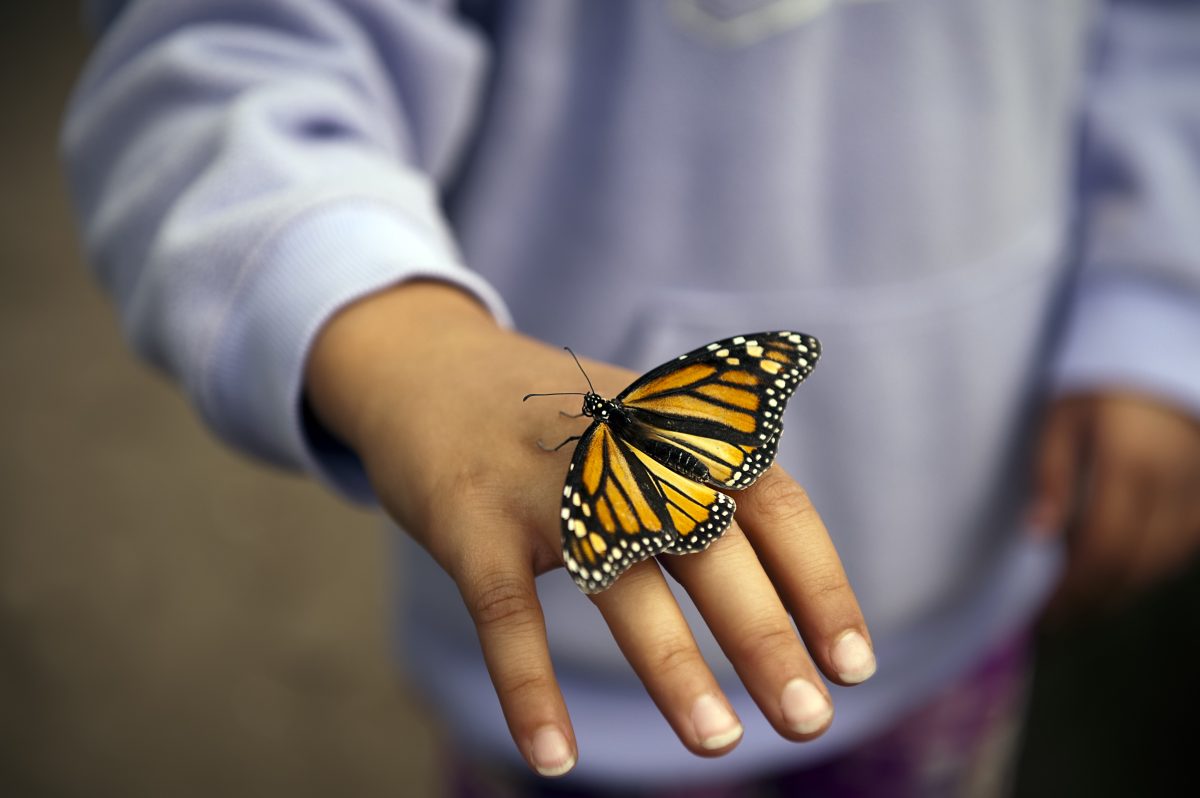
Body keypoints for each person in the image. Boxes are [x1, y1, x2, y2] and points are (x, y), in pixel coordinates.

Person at [62, 0, 1200, 794]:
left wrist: (1154, 305)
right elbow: (231, 44)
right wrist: (404, 336)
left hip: (961, 582)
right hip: (588, 688)